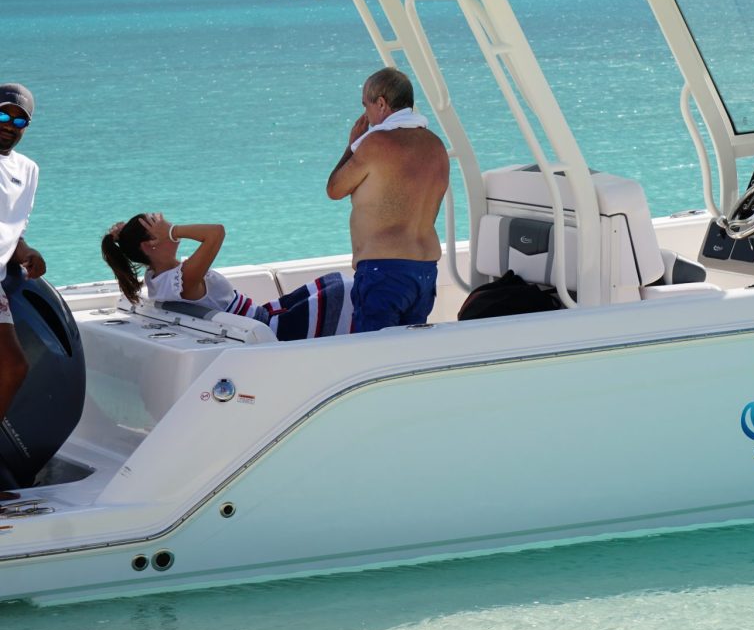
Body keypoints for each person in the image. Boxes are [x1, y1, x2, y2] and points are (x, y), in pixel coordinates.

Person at [326, 67, 450, 332]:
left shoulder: (376, 143)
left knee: (375, 355)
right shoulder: (436, 146)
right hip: (425, 270)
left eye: (366, 106)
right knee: (407, 357)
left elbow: (335, 189)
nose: (367, 118)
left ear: (381, 103)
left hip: (384, 270)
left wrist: (351, 145)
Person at [101, 213, 349, 341]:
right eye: (160, 224)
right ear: (150, 245)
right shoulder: (184, 279)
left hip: (266, 316)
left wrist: (125, 236)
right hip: (274, 328)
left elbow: (140, 247)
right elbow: (216, 233)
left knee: (336, 282)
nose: (167, 222)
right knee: (345, 290)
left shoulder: (159, 276)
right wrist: (174, 232)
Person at [0, 83, 46, 427]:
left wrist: (26, 252)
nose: (8, 124)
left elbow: (13, 231)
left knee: (14, 367)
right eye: (2, 114)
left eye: (18, 121)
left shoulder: (28, 171)